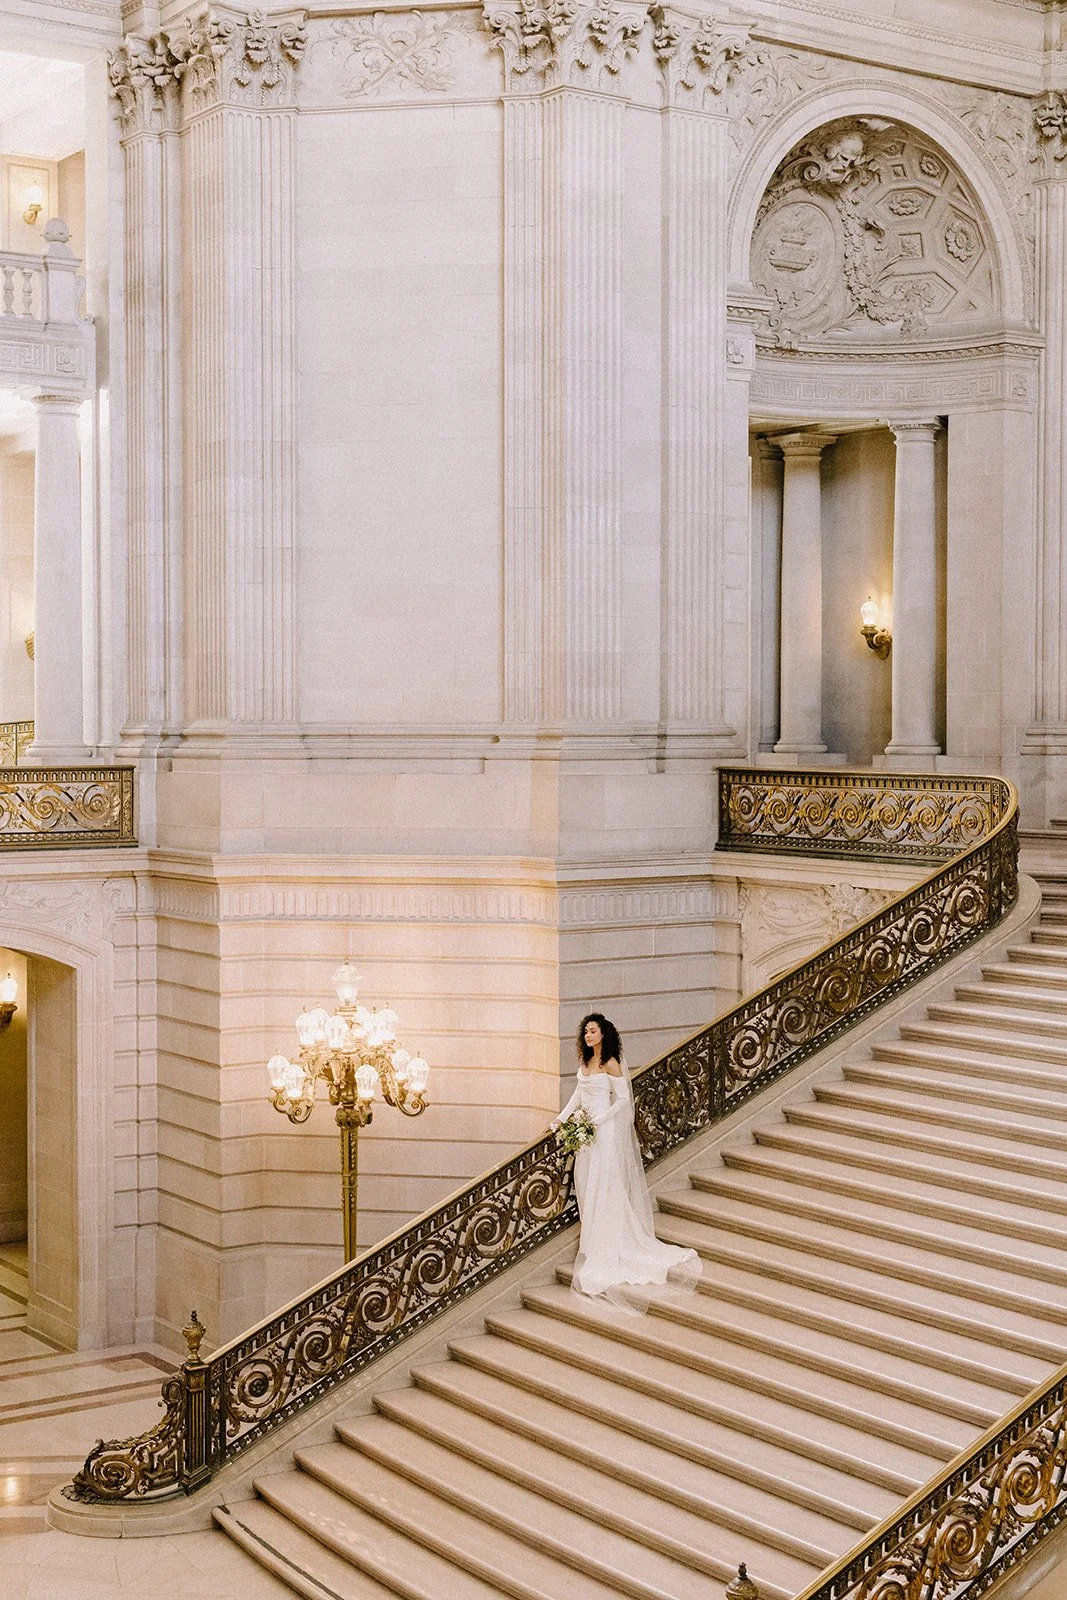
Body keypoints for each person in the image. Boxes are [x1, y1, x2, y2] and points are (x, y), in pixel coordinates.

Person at [552, 1012, 701, 1305]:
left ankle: (609, 1245)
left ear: (603, 1034)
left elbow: (622, 1101)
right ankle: (594, 1241)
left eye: (592, 1031)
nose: (588, 1036)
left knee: (604, 1186)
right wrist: (560, 1119)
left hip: (602, 1133)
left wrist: (598, 1121)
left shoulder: (611, 1063)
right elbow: (578, 1095)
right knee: (586, 1184)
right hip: (586, 1136)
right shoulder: (585, 1063)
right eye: (586, 1032)